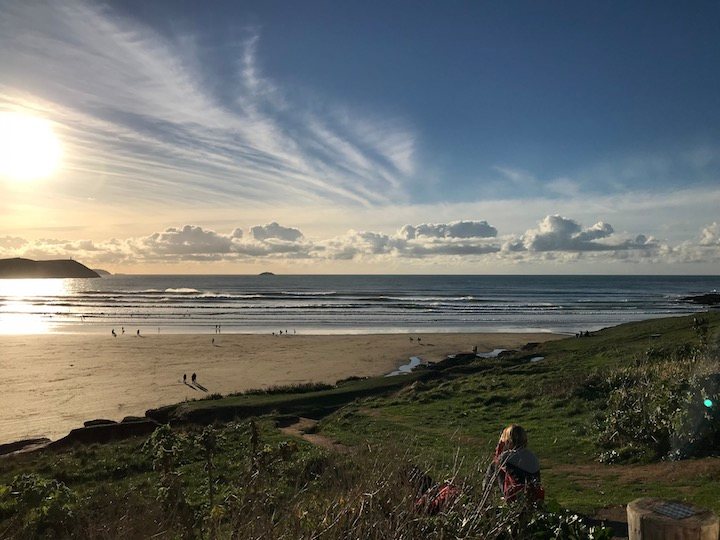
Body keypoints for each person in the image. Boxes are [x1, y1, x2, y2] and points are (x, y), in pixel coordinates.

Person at [484, 424, 544, 504]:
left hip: (516, 496)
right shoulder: (532, 456)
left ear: (508, 441)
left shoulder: (506, 456)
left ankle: (485, 498)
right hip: (534, 497)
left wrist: (500, 448)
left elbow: (496, 461)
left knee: (494, 466)